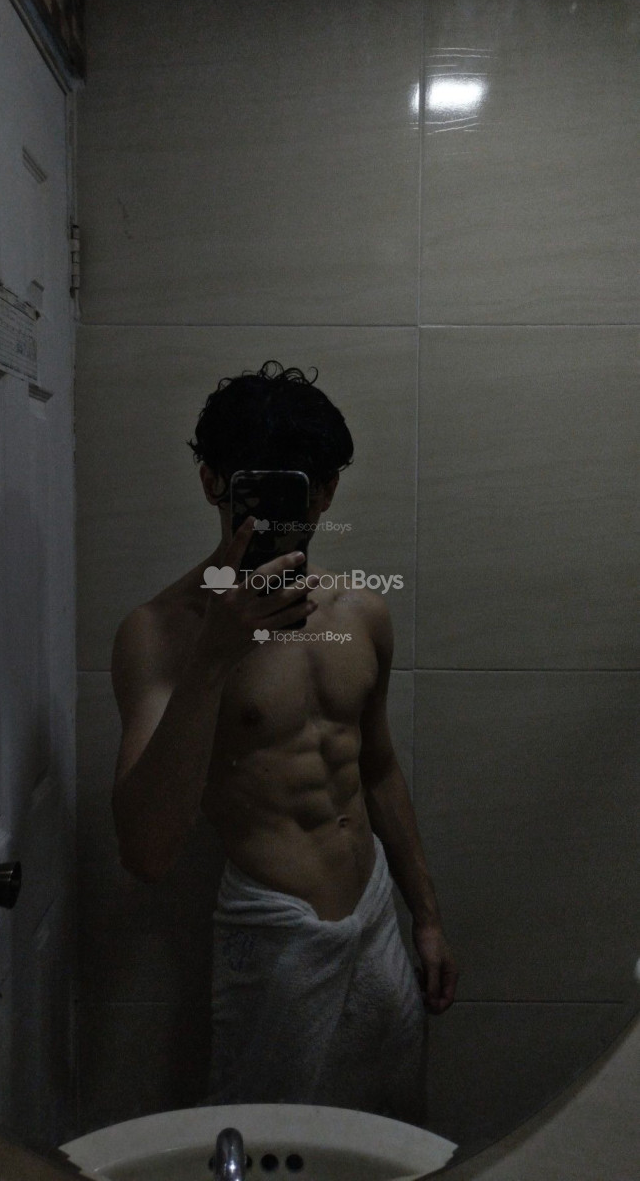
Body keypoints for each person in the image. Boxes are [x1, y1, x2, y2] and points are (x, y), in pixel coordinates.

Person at [111, 360, 458, 1123]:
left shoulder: (361, 611)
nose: (276, 515)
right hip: (273, 931)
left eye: (301, 490)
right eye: (254, 489)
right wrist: (213, 659)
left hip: (375, 916)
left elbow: (378, 769)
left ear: (325, 492)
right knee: (265, 1142)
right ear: (212, 483)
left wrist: (425, 916)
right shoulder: (160, 633)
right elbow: (146, 852)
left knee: (392, 1132)